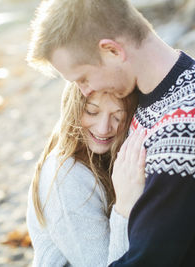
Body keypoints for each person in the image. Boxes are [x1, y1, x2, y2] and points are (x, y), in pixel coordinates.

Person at [26, 0, 195, 266]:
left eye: (82, 78)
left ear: (112, 50)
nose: (84, 91)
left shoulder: (184, 126)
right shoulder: (187, 80)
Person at [26, 82, 145, 266]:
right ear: (73, 107)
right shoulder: (67, 179)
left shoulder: (102, 157)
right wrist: (125, 206)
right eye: (91, 112)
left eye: (118, 116)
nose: (104, 128)